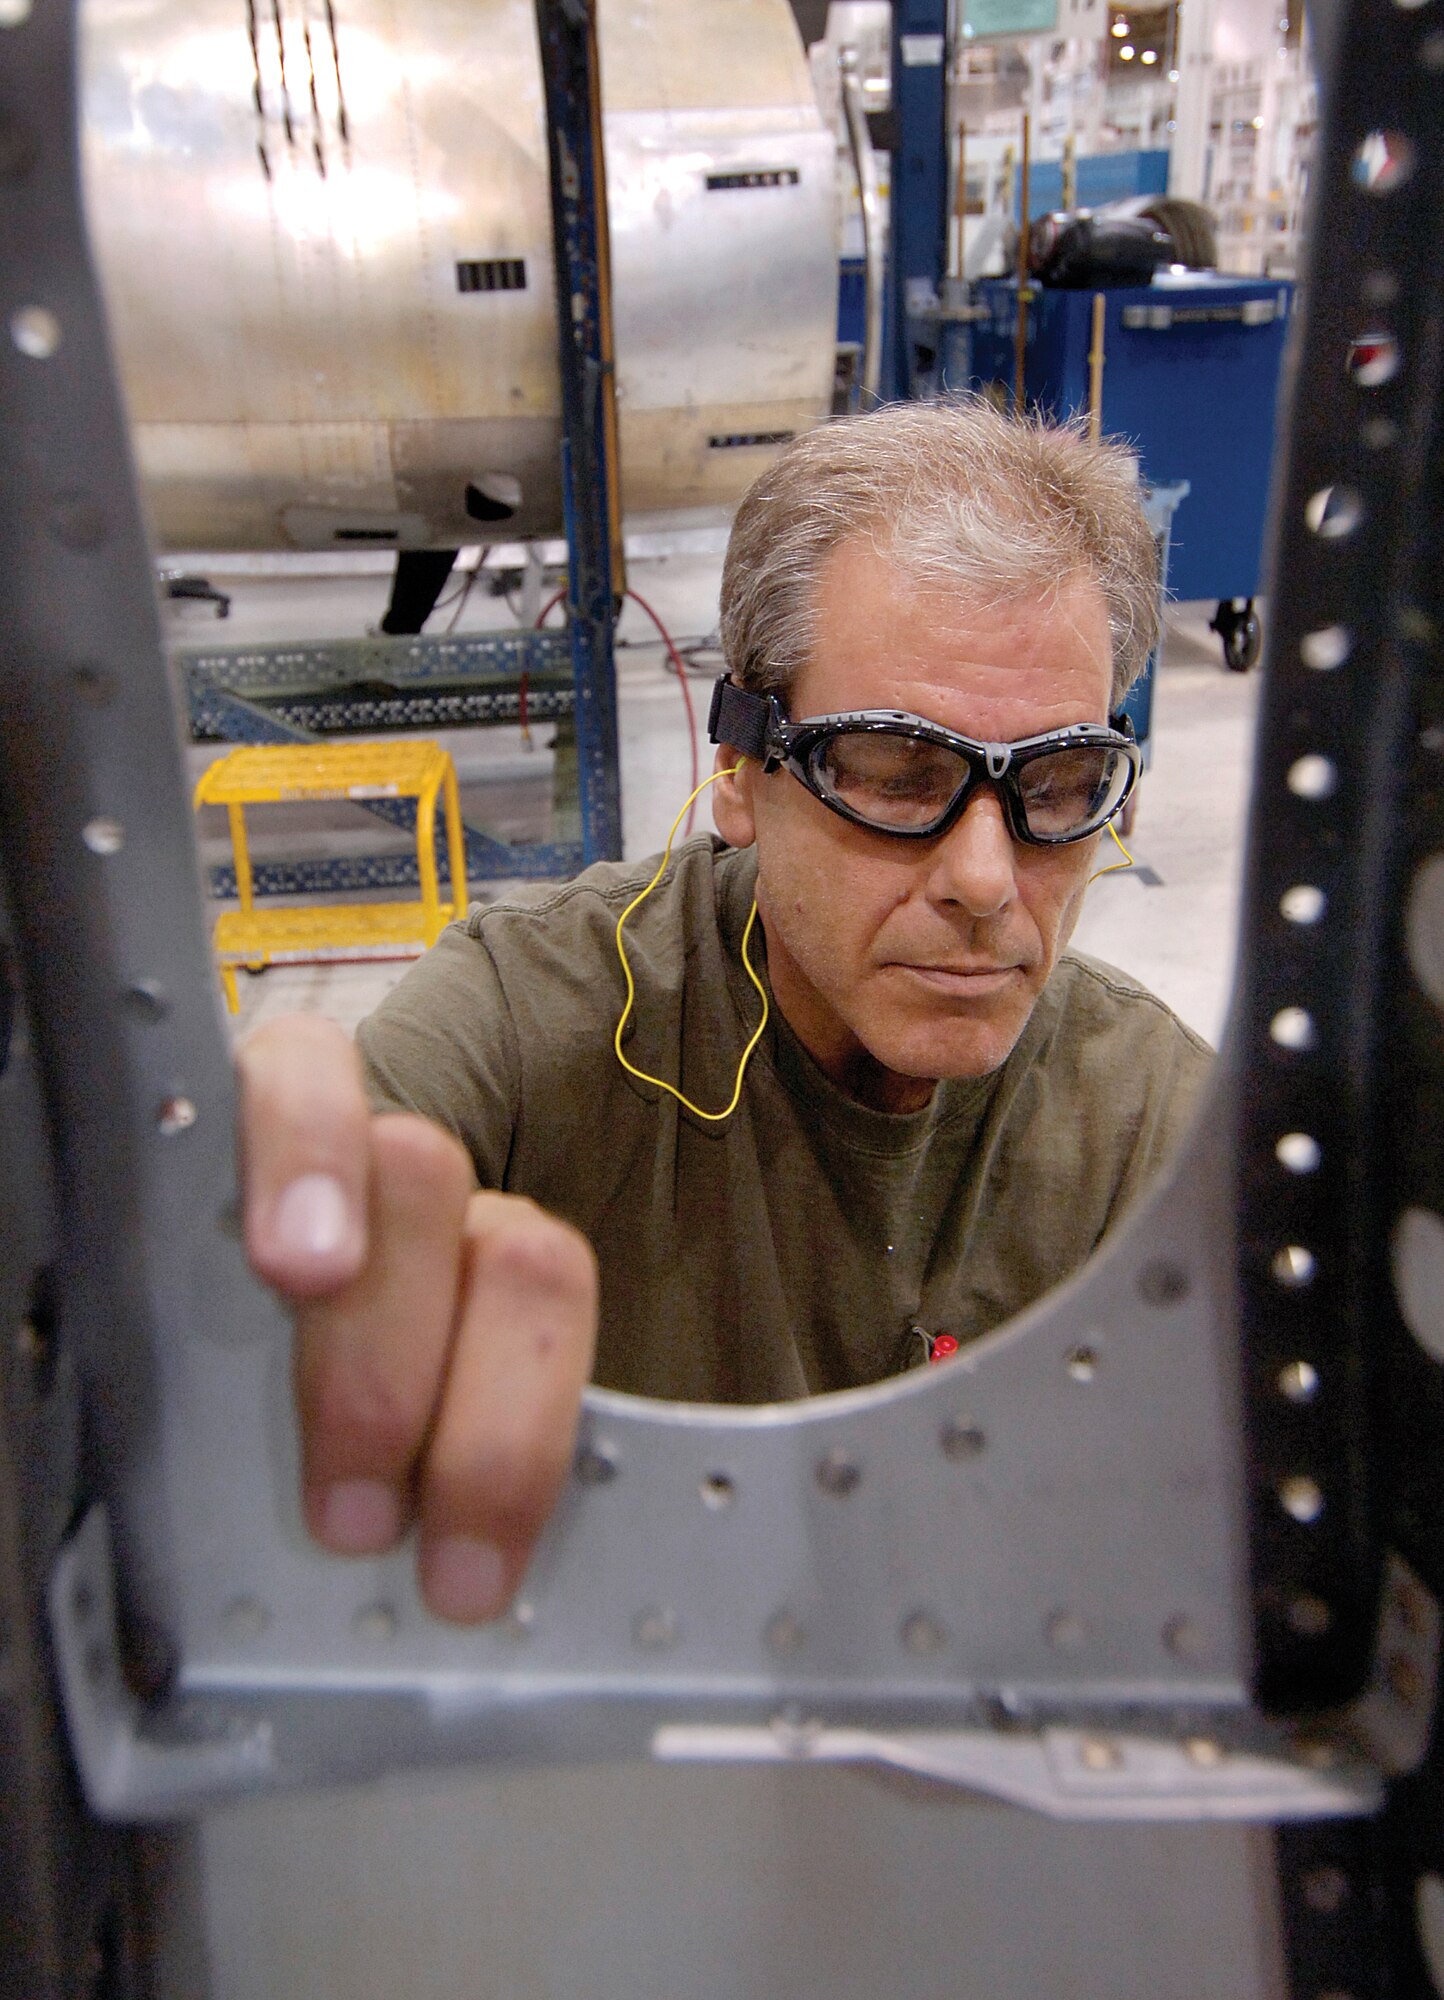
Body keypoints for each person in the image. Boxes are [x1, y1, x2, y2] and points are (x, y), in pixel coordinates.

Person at [237, 398, 1211, 1627]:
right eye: (896, 773)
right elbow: (334, 1199)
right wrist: (274, 1246)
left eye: (1058, 784)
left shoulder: (1148, 1123)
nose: (981, 878)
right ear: (743, 769)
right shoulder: (533, 1025)